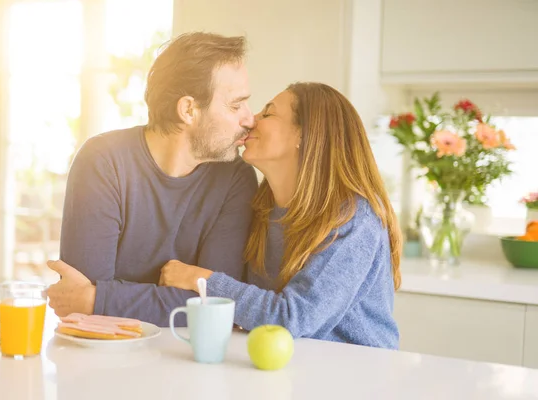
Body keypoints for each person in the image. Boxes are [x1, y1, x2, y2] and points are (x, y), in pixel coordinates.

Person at [159, 82, 402, 348]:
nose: (252, 120)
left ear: (304, 134)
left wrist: (199, 279)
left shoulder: (354, 219)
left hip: (358, 374)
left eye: (268, 113)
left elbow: (294, 318)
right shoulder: (262, 206)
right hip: (289, 365)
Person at [46, 32, 258, 327]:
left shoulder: (236, 177)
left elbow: (217, 306)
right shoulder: (103, 161)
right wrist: (92, 299)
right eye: (236, 106)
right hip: (100, 353)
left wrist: (100, 298)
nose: (250, 119)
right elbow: (78, 301)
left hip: (189, 358)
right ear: (188, 110)